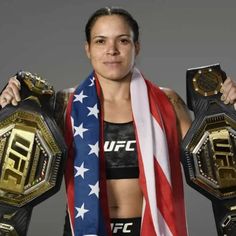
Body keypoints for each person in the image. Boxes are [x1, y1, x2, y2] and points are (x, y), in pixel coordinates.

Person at [1, 6, 236, 236]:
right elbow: (17, 166)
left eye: (122, 40)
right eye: (100, 41)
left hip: (153, 228)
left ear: (136, 46)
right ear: (88, 49)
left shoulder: (167, 101)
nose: (111, 50)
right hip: (85, 228)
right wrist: (8, 111)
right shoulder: (65, 104)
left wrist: (229, 114)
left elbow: (215, 167)